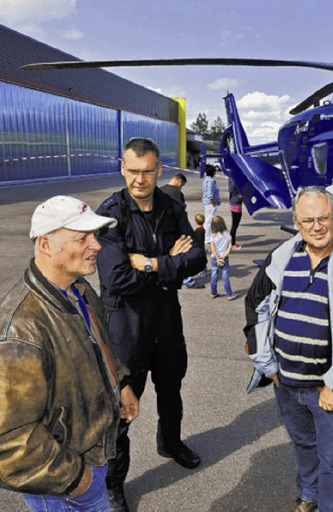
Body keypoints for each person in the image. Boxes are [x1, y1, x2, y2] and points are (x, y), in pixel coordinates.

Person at [244, 186, 333, 512]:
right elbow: (255, 307)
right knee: (304, 445)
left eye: (324, 218)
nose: (317, 227)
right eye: (308, 220)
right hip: (286, 383)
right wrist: (269, 367)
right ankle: (309, 495)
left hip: (327, 390)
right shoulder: (280, 258)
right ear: (296, 221)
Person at [0, 195, 139, 512]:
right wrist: (79, 479)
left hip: (91, 456)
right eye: (82, 238)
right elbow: (9, 442)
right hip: (60, 482)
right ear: (46, 245)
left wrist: (121, 382)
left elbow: (97, 344)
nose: (97, 246)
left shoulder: (80, 289)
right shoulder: (20, 330)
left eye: (95, 235)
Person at [96, 137, 207, 512]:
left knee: (172, 385)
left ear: (159, 170)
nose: (140, 180)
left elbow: (197, 257)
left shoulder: (171, 204)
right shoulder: (110, 214)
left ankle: (170, 442)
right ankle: (114, 484)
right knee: (122, 407)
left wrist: (149, 263)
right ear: (122, 168)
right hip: (126, 325)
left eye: (147, 171)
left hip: (166, 317)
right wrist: (167, 265)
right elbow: (116, 279)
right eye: (132, 171)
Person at [209, 215, 237, 301]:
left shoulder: (213, 236)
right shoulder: (227, 235)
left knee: (214, 275)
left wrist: (217, 258)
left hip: (215, 258)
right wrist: (223, 256)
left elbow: (212, 248)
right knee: (225, 276)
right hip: (224, 258)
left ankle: (213, 293)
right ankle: (229, 294)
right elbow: (229, 247)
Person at [202, 164, 221, 245]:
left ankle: (208, 236)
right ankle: (207, 238)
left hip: (207, 203)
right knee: (209, 221)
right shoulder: (211, 181)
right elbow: (210, 194)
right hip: (210, 203)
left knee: (208, 220)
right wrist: (213, 203)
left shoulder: (206, 179)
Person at [228, 175, 243, 250]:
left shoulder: (231, 178)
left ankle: (232, 243)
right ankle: (232, 244)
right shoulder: (235, 181)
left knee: (234, 226)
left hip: (235, 204)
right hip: (236, 205)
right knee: (234, 226)